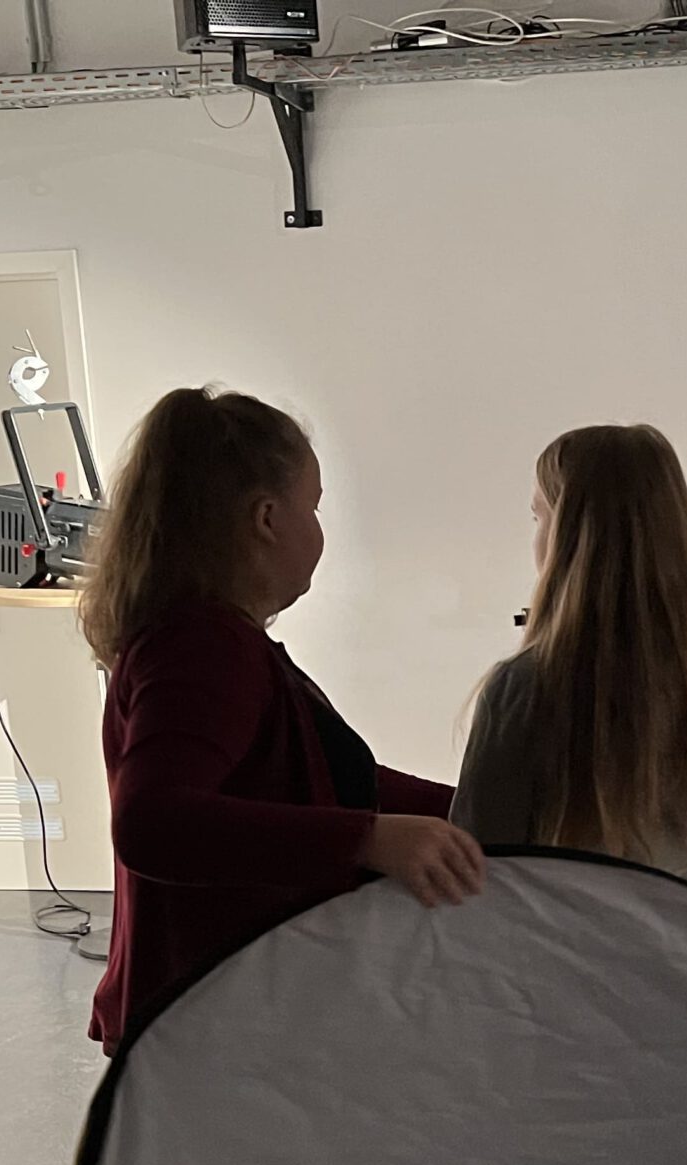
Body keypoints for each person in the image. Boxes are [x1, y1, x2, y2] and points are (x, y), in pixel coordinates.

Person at [80, 386, 483, 1050]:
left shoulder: (214, 640)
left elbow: (321, 779)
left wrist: (472, 811)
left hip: (220, 1012)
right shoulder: (204, 648)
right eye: (313, 507)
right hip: (206, 1026)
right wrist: (368, 840)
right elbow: (154, 823)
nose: (319, 531)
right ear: (266, 518)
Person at [451, 424, 687, 894]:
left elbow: (486, 855)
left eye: (538, 517)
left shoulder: (523, 687)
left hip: (562, 935)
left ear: (568, 537)